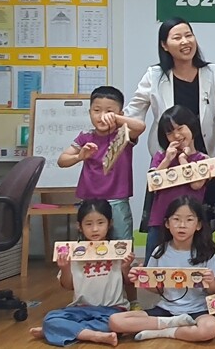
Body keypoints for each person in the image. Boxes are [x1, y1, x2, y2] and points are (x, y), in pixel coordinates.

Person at [124, 17, 215, 232]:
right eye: (177, 37)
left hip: (204, 156)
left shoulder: (212, 72)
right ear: (164, 45)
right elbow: (135, 112)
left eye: (189, 35)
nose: (185, 41)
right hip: (169, 158)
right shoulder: (154, 75)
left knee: (203, 225)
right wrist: (115, 124)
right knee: (168, 222)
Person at [59, 86, 145, 305]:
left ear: (120, 113)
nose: (102, 116)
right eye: (96, 110)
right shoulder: (85, 137)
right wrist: (80, 156)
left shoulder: (123, 134)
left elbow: (140, 126)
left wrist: (117, 119)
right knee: (88, 252)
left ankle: (132, 301)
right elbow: (62, 160)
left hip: (117, 201)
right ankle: (87, 299)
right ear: (89, 112)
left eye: (109, 110)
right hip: (89, 204)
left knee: (124, 252)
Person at [109, 196, 215, 342]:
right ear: (167, 223)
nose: (182, 225)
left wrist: (211, 281)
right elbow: (158, 289)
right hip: (166, 310)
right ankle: (173, 324)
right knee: (115, 321)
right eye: (176, 219)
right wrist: (142, 279)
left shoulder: (206, 253)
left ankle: (163, 332)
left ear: (198, 225)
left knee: (210, 328)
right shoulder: (160, 251)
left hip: (198, 311)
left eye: (189, 220)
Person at [29, 199, 134, 347]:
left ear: (109, 223)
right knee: (50, 318)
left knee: (116, 323)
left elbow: (129, 282)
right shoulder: (74, 252)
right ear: (79, 226)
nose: (95, 229)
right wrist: (65, 268)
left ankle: (61, 330)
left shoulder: (119, 251)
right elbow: (68, 286)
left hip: (112, 310)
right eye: (88, 224)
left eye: (100, 223)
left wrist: (126, 267)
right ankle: (94, 335)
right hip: (80, 309)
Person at [144, 105, 211, 261]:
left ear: (192, 126)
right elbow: (153, 183)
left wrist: (182, 159)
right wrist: (168, 159)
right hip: (160, 220)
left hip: (189, 223)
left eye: (180, 128)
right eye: (170, 132)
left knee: (189, 262)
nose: (176, 135)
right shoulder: (161, 157)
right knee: (153, 265)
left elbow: (196, 185)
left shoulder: (203, 159)